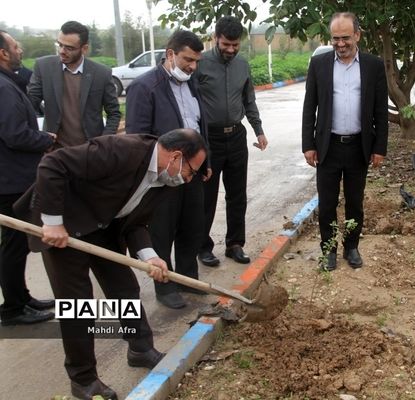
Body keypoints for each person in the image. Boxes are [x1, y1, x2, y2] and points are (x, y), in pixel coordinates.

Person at [14, 129, 207, 400]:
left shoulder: (163, 180)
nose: (189, 179)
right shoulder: (122, 150)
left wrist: (150, 256)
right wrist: (53, 222)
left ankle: (140, 348)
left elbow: (136, 222)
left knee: (124, 288)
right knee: (78, 305)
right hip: (65, 225)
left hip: (105, 225)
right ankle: (83, 379)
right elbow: (53, 163)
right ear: (176, 157)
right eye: (191, 171)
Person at [126, 30, 211, 309]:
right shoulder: (145, 87)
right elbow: (137, 138)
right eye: (188, 59)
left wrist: (204, 162)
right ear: (170, 54)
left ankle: (189, 279)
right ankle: (166, 286)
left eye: (196, 61)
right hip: (162, 176)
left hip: (192, 173)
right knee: (162, 230)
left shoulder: (191, 83)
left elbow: (200, 127)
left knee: (192, 226)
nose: (193, 66)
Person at [302, 12, 388, 271]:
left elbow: (380, 111)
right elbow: (310, 107)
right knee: (327, 203)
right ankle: (328, 249)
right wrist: (308, 144)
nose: (340, 44)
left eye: (345, 38)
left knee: (355, 202)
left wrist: (379, 148)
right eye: (335, 38)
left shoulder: (373, 66)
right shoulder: (319, 65)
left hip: (358, 147)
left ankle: (351, 247)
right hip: (328, 146)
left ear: (357, 36)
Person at [194, 16, 268, 267]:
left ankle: (235, 244)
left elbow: (249, 100)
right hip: (208, 139)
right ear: (215, 38)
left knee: (237, 195)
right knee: (206, 196)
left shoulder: (242, 65)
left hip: (236, 136)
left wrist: (258, 130)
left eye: (235, 45)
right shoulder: (200, 64)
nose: (230, 49)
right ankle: (202, 246)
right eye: (226, 44)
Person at [0, 30, 56, 326]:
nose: (20, 50)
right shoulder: (3, 87)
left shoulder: (10, 81)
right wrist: (44, 138)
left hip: (12, 178)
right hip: (11, 182)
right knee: (14, 244)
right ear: (3, 53)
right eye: (15, 46)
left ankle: (22, 298)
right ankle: (12, 308)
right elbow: (14, 134)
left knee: (17, 244)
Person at [28, 20, 120, 147]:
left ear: (84, 48)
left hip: (90, 151)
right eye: (59, 45)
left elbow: (114, 113)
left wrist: (102, 143)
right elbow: (29, 105)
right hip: (54, 150)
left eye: (69, 48)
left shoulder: (101, 73)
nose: (62, 51)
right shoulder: (43, 67)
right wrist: (36, 136)